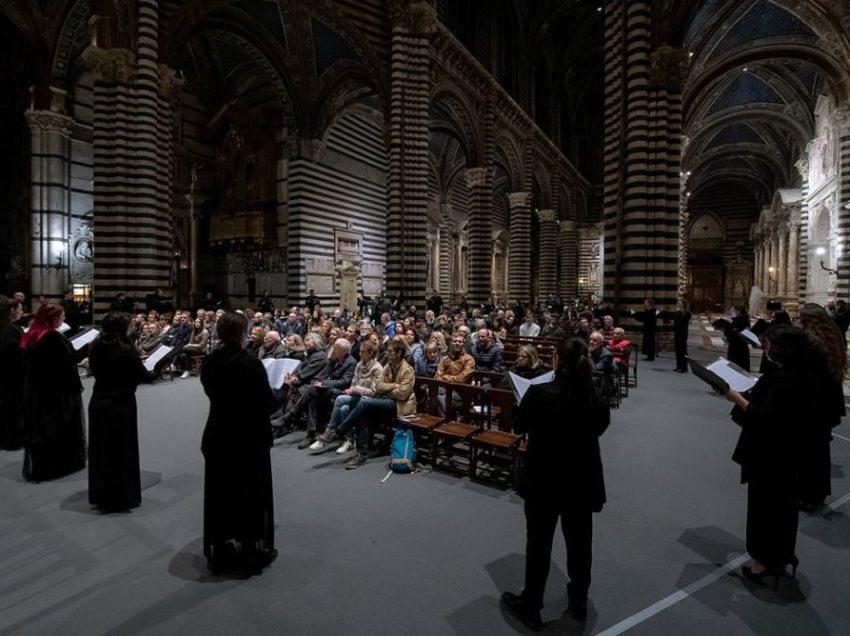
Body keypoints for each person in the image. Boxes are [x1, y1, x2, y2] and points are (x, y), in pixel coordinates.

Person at [502, 338, 610, 629]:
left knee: (539, 544)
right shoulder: (595, 395)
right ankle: (578, 604)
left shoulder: (540, 393)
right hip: (581, 480)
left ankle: (531, 605)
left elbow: (520, 426)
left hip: (544, 480)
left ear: (555, 361)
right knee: (579, 545)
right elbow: (601, 426)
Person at [725, 325, 811, 588]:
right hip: (785, 457)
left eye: (769, 345)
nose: (765, 348)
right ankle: (781, 556)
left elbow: (769, 420)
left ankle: (762, 563)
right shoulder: (795, 374)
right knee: (780, 509)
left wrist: (737, 398)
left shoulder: (787, 380)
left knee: (766, 509)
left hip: (772, 457)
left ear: (781, 348)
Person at [200, 311, 278, 574]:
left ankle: (221, 547)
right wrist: (282, 392)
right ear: (241, 334)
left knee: (222, 492)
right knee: (249, 494)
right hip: (248, 438)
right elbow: (267, 404)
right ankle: (248, 549)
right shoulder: (250, 364)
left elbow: (214, 393)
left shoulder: (210, 362)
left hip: (219, 434)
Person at [87, 313, 160, 512]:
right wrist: (158, 368)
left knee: (101, 451)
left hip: (99, 401)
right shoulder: (126, 351)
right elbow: (143, 376)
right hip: (120, 405)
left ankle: (101, 494)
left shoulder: (95, 346)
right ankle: (120, 497)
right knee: (120, 452)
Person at [20, 303, 87, 481]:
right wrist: (86, 348)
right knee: (57, 425)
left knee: (43, 427)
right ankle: (58, 465)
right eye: (62, 316)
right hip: (56, 390)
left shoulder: (34, 334)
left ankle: (45, 463)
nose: (64, 319)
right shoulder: (51, 337)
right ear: (54, 318)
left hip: (39, 388)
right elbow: (66, 360)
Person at [796, 304, 847, 511]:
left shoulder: (811, 346)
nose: (797, 322)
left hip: (813, 405)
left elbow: (804, 375)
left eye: (801, 319)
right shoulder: (833, 339)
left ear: (810, 322)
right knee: (819, 450)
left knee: (809, 451)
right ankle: (817, 493)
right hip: (827, 404)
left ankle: (809, 495)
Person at [0, 296, 25, 450]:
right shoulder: (10, 330)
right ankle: (12, 439)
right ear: (12, 311)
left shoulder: (9, 327)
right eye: (20, 308)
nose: (22, 311)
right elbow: (17, 354)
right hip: (13, 376)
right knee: (13, 408)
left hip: (8, 375)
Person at [672, 299, 691, 373]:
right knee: (677, 350)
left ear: (683, 304)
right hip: (677, 333)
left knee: (683, 350)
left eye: (679, 303)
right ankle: (678, 366)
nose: (677, 303)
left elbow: (683, 323)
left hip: (683, 333)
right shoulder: (678, 312)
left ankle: (684, 367)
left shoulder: (687, 313)